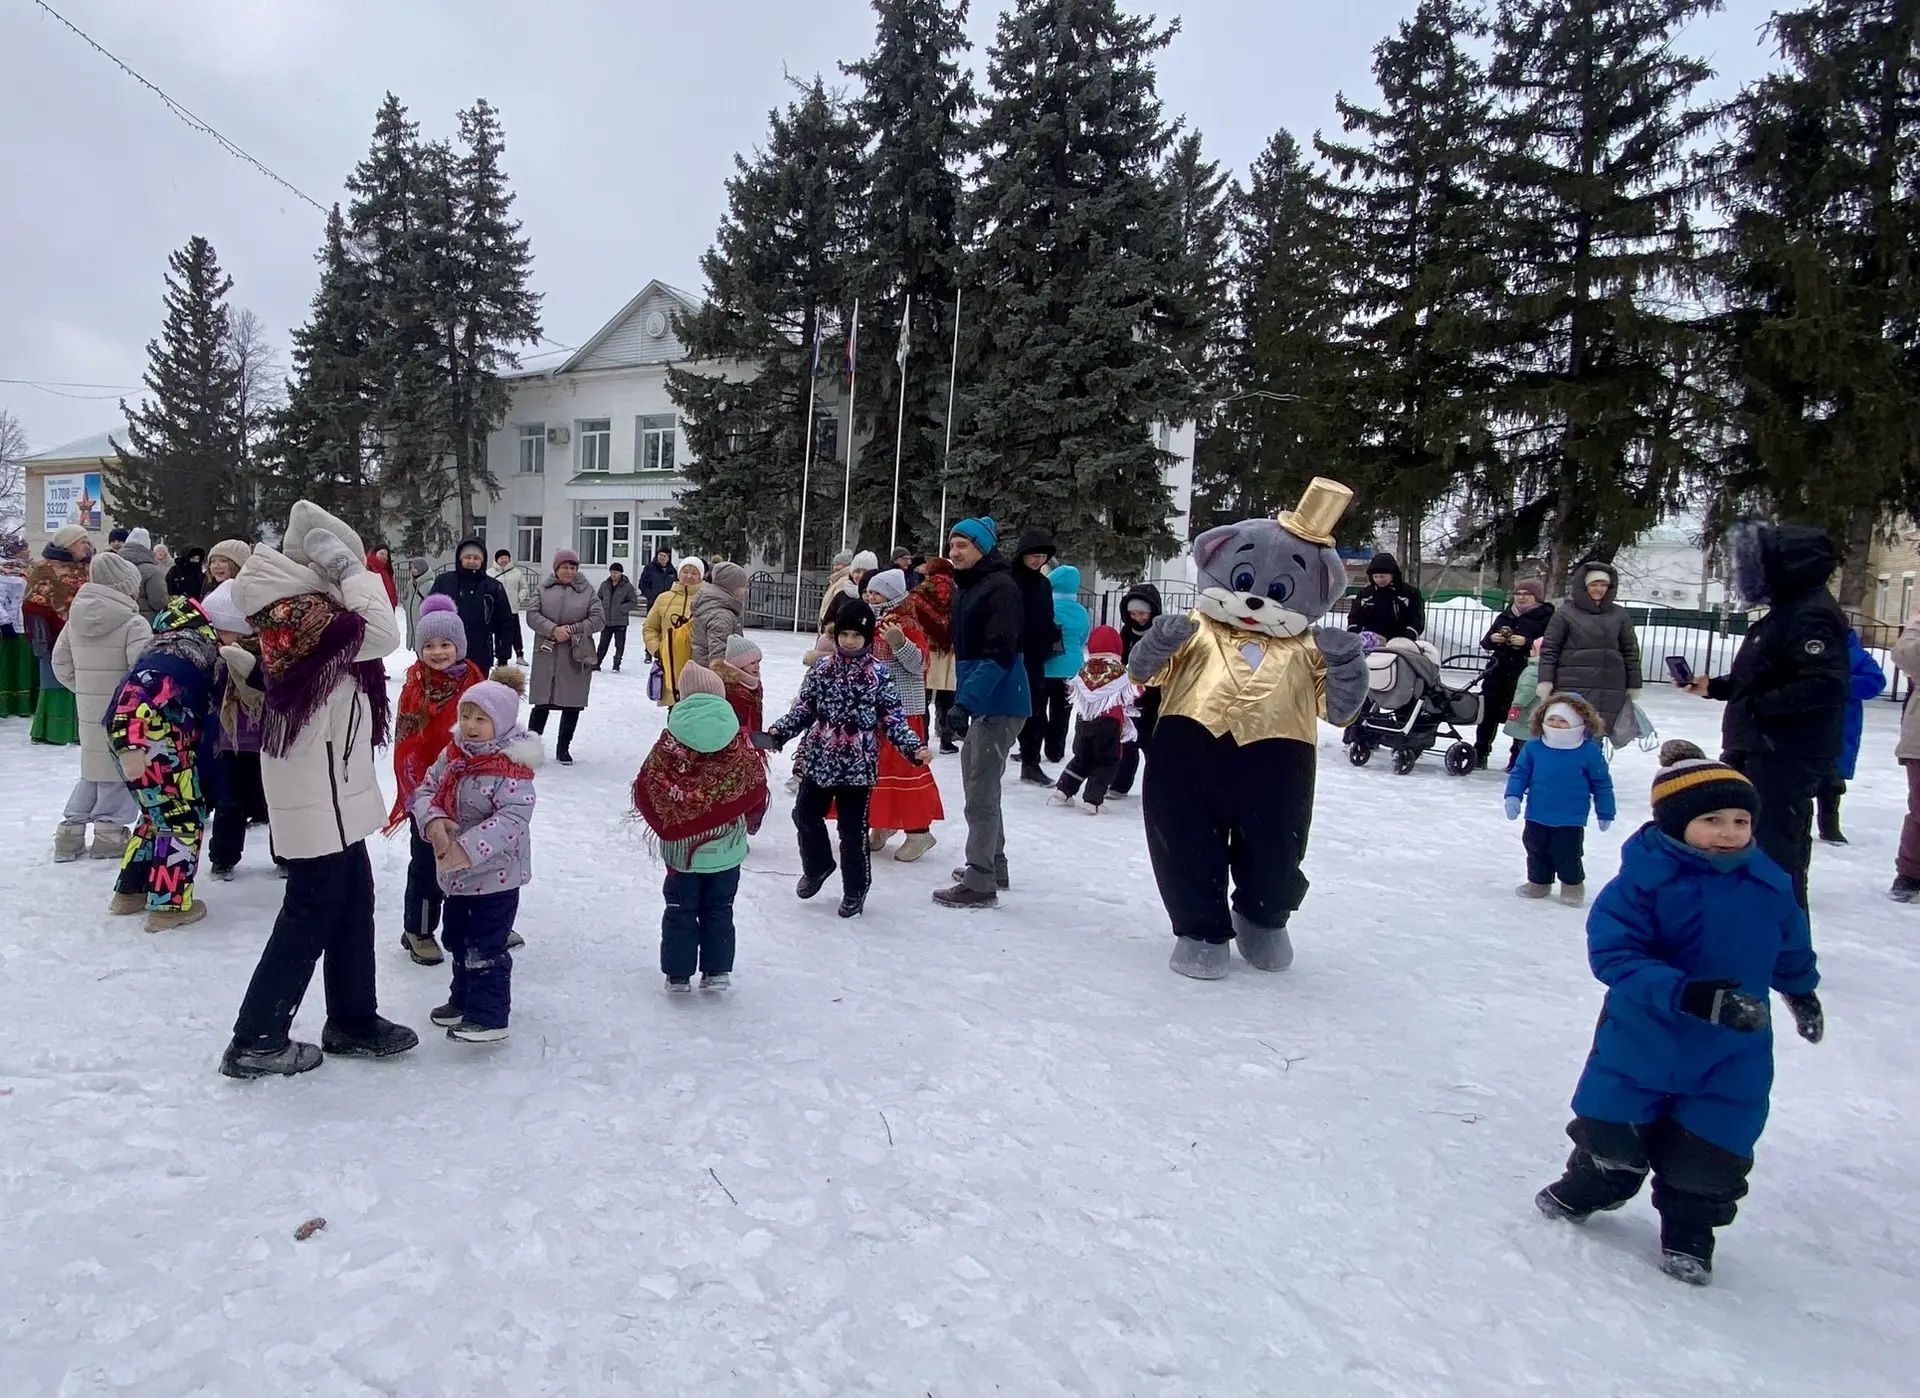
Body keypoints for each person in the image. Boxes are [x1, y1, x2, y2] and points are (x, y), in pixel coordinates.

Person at [1534, 740, 1822, 1287]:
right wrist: (1687, 994)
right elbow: (1615, 955)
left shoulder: (1768, 882)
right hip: (1644, 1034)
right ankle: (1592, 1184)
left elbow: (1789, 942)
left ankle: (1691, 1229)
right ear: (1675, 824)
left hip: (1732, 1046)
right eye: (1712, 820)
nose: (1729, 832)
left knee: (1715, 1147)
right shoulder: (1642, 883)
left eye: (1740, 820)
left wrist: (1800, 990)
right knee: (1614, 1134)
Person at [222, 500, 416, 1080]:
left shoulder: (302, 606)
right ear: (327, 559)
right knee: (311, 907)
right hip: (317, 785)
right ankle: (256, 1038)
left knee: (353, 896)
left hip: (333, 780)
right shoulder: (301, 609)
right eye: (345, 559)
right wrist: (356, 574)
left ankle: (352, 1020)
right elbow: (382, 634)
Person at [1679, 522, 1847, 914]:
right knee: (1754, 842)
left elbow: (1824, 684)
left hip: (1783, 752)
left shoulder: (1810, 614)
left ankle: (1780, 939)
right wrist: (1718, 687)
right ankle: (1754, 924)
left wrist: (1759, 707)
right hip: (1760, 746)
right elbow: (1766, 673)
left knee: (1775, 848)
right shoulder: (1788, 610)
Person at [756, 599, 931, 919]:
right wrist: (778, 733)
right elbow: (804, 710)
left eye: (857, 635)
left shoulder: (878, 673)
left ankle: (855, 890)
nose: (850, 641)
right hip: (820, 761)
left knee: (852, 833)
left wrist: (913, 747)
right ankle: (818, 865)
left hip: (858, 768)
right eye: (845, 634)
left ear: (866, 637)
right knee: (805, 816)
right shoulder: (822, 670)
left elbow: (893, 719)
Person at [412, 665, 539, 1043]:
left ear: (500, 723)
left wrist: (465, 850)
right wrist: (434, 823)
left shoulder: (512, 768)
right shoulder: (454, 755)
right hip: (456, 876)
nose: (470, 724)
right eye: (466, 715)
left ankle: (489, 1015)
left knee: (485, 946)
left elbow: (513, 818)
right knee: (456, 938)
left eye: (481, 718)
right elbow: (426, 791)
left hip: (495, 875)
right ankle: (463, 999)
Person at [632, 660, 771, 992]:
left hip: (682, 854)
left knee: (680, 910)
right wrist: (746, 818)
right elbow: (754, 787)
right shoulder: (736, 740)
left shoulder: (670, 739)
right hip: (727, 849)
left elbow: (648, 784)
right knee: (720, 909)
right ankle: (717, 971)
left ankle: (678, 975)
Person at [102, 597, 224, 931]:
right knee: (182, 816)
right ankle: (169, 908)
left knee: (156, 812)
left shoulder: (156, 649)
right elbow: (211, 719)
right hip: (156, 734)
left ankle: (131, 892)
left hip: (119, 730)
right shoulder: (206, 653)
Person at [933, 517, 1032, 909]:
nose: (955, 552)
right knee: (982, 788)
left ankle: (980, 881)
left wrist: (965, 704)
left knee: (979, 793)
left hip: (1000, 701)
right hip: (985, 699)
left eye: (963, 545)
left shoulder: (1000, 587)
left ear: (984, 548)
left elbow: (999, 655)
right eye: (952, 544)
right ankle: (994, 864)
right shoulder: (969, 585)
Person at [387, 594, 485, 965]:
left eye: (445, 644)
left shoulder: (475, 681)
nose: (438, 652)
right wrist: (420, 802)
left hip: (473, 792)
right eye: (429, 645)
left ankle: (477, 926)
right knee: (429, 866)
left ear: (459, 645)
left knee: (474, 861)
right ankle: (419, 929)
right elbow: (406, 748)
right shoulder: (415, 689)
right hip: (429, 795)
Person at [49, 550, 151, 864]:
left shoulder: (74, 620)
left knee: (92, 770)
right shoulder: (134, 623)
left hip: (88, 709)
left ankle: (70, 831)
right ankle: (109, 832)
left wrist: (85, 690)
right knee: (118, 771)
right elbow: (143, 670)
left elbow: (60, 663)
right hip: (123, 711)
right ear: (126, 586)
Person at [200, 580, 280, 883]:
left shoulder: (269, 654)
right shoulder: (216, 656)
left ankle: (284, 855)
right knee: (229, 803)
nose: (216, 636)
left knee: (275, 803)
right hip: (231, 741)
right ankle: (222, 858)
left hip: (267, 741)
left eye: (222, 629)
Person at [863, 568, 944, 863]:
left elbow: (919, 664)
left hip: (903, 710)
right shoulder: (870, 620)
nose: (871, 597)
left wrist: (899, 641)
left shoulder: (906, 623)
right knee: (877, 768)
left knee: (905, 767)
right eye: (869, 592)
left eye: (877, 592)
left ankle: (919, 831)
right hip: (874, 708)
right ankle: (883, 821)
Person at [1504, 694, 1617, 905]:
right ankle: (1538, 882)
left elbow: (1602, 784)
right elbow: (1520, 773)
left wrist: (1606, 811)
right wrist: (1513, 795)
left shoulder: (1588, 752)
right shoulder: (1534, 747)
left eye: (1563, 720)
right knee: (1535, 848)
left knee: (1567, 853)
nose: (1556, 724)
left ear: (1578, 722)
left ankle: (1572, 887)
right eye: (1552, 719)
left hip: (1570, 817)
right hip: (1537, 812)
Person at [1539, 562, 1642, 746]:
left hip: (1609, 684)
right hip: (1572, 683)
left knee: (1597, 734)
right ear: (1584, 586)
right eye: (1594, 584)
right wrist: (1546, 680)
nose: (1599, 589)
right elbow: (1550, 649)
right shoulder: (1565, 614)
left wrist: (1633, 684)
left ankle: (1592, 772)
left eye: (1603, 585)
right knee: (1569, 731)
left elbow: (1630, 651)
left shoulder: (1619, 614)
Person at [526, 549, 604, 766]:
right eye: (564, 567)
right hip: (547, 652)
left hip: (575, 654)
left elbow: (598, 619)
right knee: (542, 702)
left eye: (573, 567)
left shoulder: (587, 591)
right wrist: (552, 629)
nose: (569, 571)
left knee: (572, 703)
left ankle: (563, 748)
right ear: (556, 568)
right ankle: (531, 748)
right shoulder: (543, 589)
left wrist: (572, 629)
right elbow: (532, 616)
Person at [1051, 625, 1135, 814]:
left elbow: (1072, 689)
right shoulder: (1120, 672)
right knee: (1107, 761)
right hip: (1109, 723)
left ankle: (1064, 790)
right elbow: (1134, 692)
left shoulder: (1085, 670)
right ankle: (1093, 800)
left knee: (1083, 757)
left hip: (1084, 721)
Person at [23, 525, 93, 745]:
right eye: (82, 541)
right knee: (56, 680)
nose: (87, 546)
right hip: (54, 635)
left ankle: (79, 730)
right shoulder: (45, 569)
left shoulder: (88, 567)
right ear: (68, 544)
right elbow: (34, 603)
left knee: (82, 681)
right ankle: (55, 730)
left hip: (85, 631)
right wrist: (42, 635)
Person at [1815, 627, 1885, 845]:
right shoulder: (1809, 647)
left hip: (1842, 726)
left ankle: (1829, 825)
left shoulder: (1855, 654)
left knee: (1832, 781)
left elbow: (1875, 682)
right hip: (1805, 724)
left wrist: (1840, 684)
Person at [1475, 579, 1555, 769]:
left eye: (1526, 594)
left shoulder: (1546, 617)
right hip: (1498, 671)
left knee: (1523, 716)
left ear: (1537, 597)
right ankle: (1480, 753)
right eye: (1518, 594)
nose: (1520, 597)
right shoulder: (1506, 615)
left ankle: (1518, 759)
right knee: (1488, 713)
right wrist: (1493, 639)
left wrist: (1527, 643)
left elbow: (1551, 644)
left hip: (1526, 673)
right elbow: (1486, 642)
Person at [1010, 528, 1059, 784]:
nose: (1037, 560)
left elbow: (1047, 617)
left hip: (1035, 657)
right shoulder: (1009, 580)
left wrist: (1050, 635)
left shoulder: (1043, 583)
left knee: (1037, 710)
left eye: (1041, 556)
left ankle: (1031, 761)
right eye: (1032, 555)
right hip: (1011, 654)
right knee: (1005, 711)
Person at [1032, 564, 1090, 767]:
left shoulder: (1046, 607)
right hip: (1071, 668)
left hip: (1046, 666)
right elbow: (1083, 638)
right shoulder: (1081, 612)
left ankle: (1033, 749)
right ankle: (1055, 750)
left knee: (1038, 710)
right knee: (1062, 712)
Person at [1110, 583, 1164, 797]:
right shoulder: (1126, 632)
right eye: (1133, 613)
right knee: (1128, 741)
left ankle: (1158, 786)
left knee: (1153, 744)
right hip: (1130, 696)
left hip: (1156, 696)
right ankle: (1120, 784)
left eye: (1142, 613)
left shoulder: (1160, 634)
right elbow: (1120, 658)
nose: (1138, 618)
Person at [431, 538, 516, 673]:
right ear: (460, 559)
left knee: (476, 693)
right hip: (446, 653)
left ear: (482, 560)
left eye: (476, 558)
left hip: (480, 653)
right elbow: (429, 617)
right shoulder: (444, 582)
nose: (471, 561)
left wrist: (503, 656)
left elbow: (505, 623)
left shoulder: (493, 587)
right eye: (467, 557)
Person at [906, 558, 959, 753]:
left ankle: (923, 739)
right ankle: (946, 738)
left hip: (926, 648)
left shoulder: (918, 593)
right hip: (950, 649)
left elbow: (911, 619)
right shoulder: (957, 592)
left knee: (923, 698)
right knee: (947, 697)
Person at [642, 557, 703, 706]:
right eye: (685, 571)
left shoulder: (706, 600)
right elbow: (650, 627)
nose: (689, 576)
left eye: (694, 573)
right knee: (674, 712)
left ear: (701, 576)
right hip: (669, 664)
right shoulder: (664, 598)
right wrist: (657, 650)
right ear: (678, 573)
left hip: (697, 666)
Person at [1346, 553, 1425, 642]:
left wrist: (1409, 635)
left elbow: (1417, 618)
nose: (1379, 580)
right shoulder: (1365, 594)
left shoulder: (1410, 593)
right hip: (1370, 642)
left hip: (1400, 642)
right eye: (1376, 576)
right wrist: (1353, 633)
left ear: (1392, 574)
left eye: (1383, 576)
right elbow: (1354, 617)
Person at [1502, 637, 1548, 771]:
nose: (1530, 651)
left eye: (1533, 649)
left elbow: (1527, 690)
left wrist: (1517, 704)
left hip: (1526, 712)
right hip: (1535, 711)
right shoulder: (1545, 669)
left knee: (1524, 742)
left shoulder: (1534, 670)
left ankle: (1525, 769)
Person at [692, 560, 749, 666]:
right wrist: (726, 678)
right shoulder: (720, 615)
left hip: (706, 671)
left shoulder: (718, 606)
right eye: (742, 586)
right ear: (731, 586)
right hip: (714, 676)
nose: (745, 590)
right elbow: (718, 655)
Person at [490, 548, 540, 662]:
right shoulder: (490, 573)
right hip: (496, 610)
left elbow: (524, 587)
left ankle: (519, 655)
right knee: (498, 634)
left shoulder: (516, 572)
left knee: (516, 633)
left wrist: (519, 598)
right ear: (496, 559)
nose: (504, 560)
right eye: (501, 558)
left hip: (512, 609)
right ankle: (500, 656)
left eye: (506, 558)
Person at [715, 633, 764, 738]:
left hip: (753, 739)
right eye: (752, 663)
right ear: (739, 664)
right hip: (735, 743)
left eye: (758, 662)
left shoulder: (755, 684)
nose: (757, 667)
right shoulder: (729, 688)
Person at [594, 562, 642, 671]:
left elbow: (633, 601)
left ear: (620, 573)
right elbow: (598, 598)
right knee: (603, 644)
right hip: (606, 621)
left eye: (616, 572)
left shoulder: (627, 587)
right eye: (611, 572)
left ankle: (616, 664)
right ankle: (597, 663)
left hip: (620, 621)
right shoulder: (604, 585)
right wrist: (601, 608)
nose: (613, 575)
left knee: (619, 645)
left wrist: (622, 608)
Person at [0, 560, 32, 719]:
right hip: (8, 626)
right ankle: (5, 705)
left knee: (21, 666)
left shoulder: (25, 570)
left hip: (22, 625)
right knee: (5, 666)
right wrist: (4, 621)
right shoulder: (5, 575)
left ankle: (21, 705)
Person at [116, 527, 170, 620]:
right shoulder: (152, 571)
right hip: (144, 621)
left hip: (117, 618)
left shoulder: (115, 565)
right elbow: (158, 602)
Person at [638, 546, 678, 611]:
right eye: (660, 555)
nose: (662, 558)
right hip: (653, 604)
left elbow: (676, 586)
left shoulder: (672, 571)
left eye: (664, 556)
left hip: (668, 604)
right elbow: (642, 585)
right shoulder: (649, 568)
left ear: (668, 558)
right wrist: (651, 597)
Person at [365, 543, 399, 609]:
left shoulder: (388, 571)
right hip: (374, 608)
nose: (384, 557)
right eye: (381, 554)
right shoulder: (368, 567)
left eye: (386, 555)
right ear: (374, 553)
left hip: (388, 607)